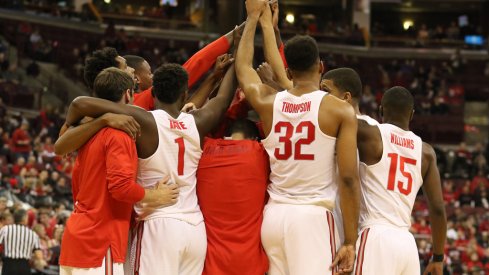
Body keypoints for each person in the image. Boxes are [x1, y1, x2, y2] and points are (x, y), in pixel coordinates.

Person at [62, 57, 237, 274]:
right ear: (184, 95)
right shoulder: (198, 122)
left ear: (152, 94)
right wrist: (235, 64)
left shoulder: (144, 120)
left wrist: (103, 118)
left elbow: (79, 104)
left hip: (158, 224)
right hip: (194, 228)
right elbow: (223, 98)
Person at [236, 1, 360, 274]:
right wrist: (350, 241)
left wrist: (254, 19)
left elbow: (243, 67)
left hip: (274, 218)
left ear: (289, 72)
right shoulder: (339, 110)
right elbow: (349, 178)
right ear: (321, 66)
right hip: (312, 217)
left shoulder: (269, 102)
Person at [58, 68, 179, 275]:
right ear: (127, 94)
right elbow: (121, 188)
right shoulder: (119, 134)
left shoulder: (84, 133)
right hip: (100, 242)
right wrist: (154, 196)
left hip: (78, 236)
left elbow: (61, 145)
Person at [354, 86, 447, 275]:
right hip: (407, 244)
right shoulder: (426, 152)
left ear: (381, 111)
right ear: (412, 115)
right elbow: (437, 208)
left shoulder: (371, 134)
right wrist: (438, 257)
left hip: (376, 236)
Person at [197, 119, 269, 275]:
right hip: (250, 265)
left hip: (211, 265)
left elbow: (197, 122)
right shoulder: (260, 153)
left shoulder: (204, 149)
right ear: (255, 139)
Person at [321, 67, 378, 245]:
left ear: (346, 97)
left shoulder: (367, 128)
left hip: (354, 226)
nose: (320, 98)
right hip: (335, 218)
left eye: (326, 92)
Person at [0, 209, 45, 275]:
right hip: (24, 266)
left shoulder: (5, 229)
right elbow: (39, 255)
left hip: (8, 265)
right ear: (25, 218)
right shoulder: (33, 234)